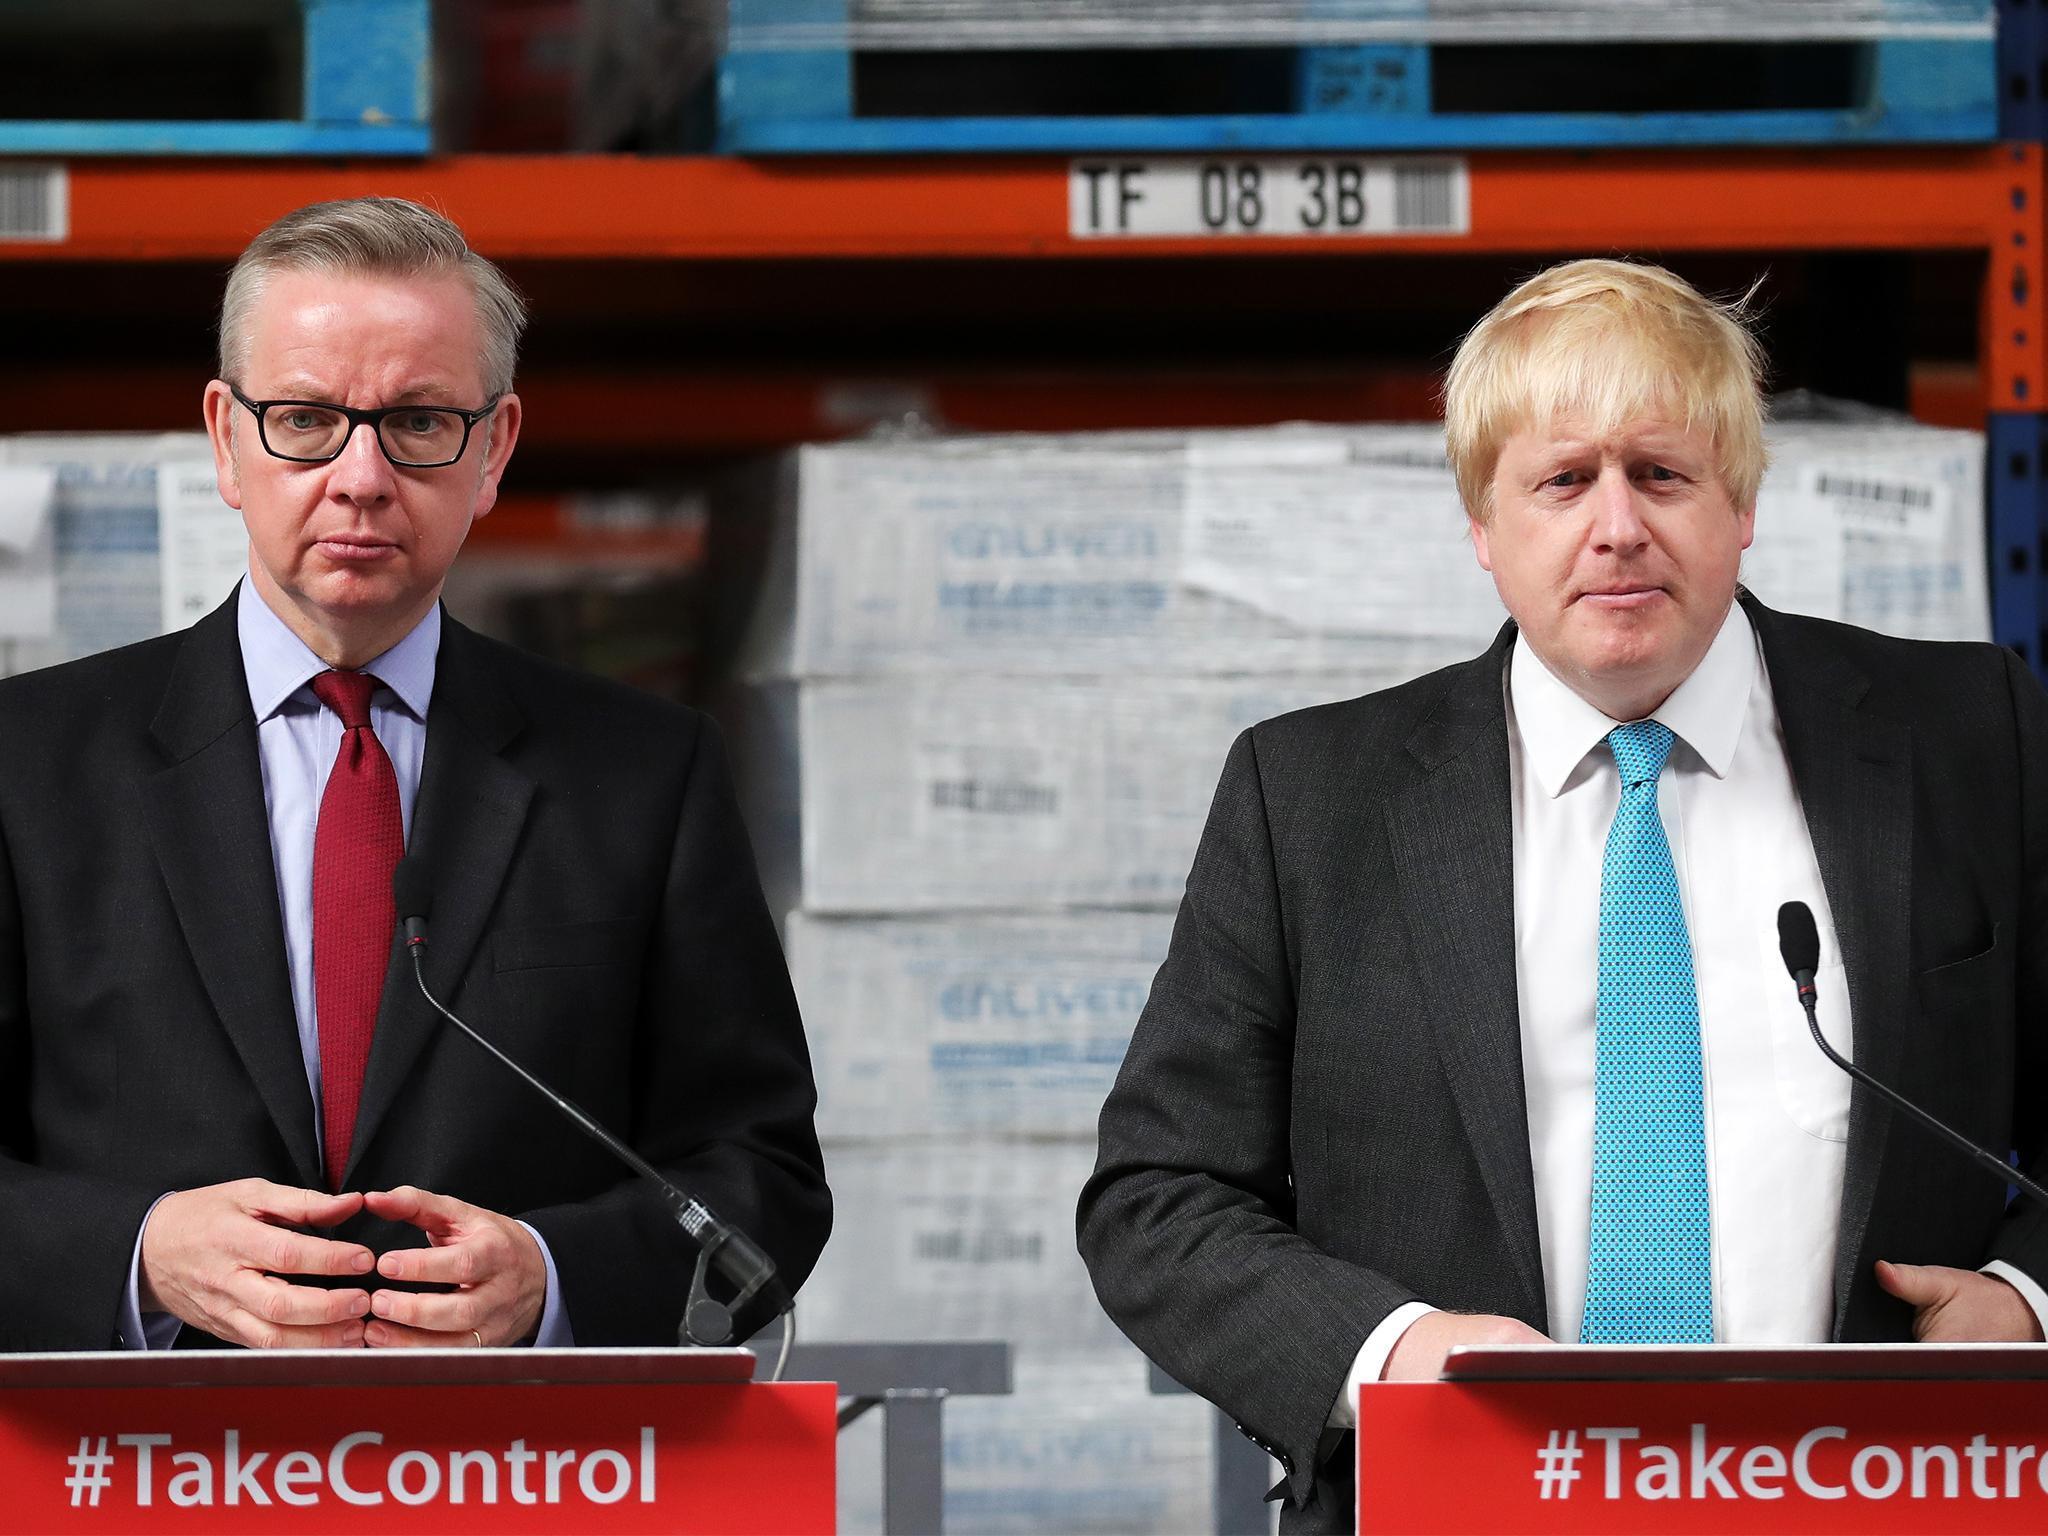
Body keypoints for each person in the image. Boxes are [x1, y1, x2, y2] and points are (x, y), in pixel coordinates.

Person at [1078, 258, 2048, 1531]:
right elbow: (1155, 1199)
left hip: (1872, 1491)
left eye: (1660, 473)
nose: (1616, 527)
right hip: (1463, 1500)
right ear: (1482, 526)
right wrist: (1391, 1354)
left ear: (1740, 501)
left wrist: (2026, 1301)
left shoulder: (1967, 734)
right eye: (1560, 479)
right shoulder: (1311, 797)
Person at [0, 196, 829, 1352]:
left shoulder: (643, 775)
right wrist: (142, 1255)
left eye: (419, 422)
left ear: (492, 449)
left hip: (516, 1480)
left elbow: (761, 1172)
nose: (360, 475)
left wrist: (554, 1275)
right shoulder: (27, 765)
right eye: (303, 419)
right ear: (224, 438)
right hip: (140, 1483)